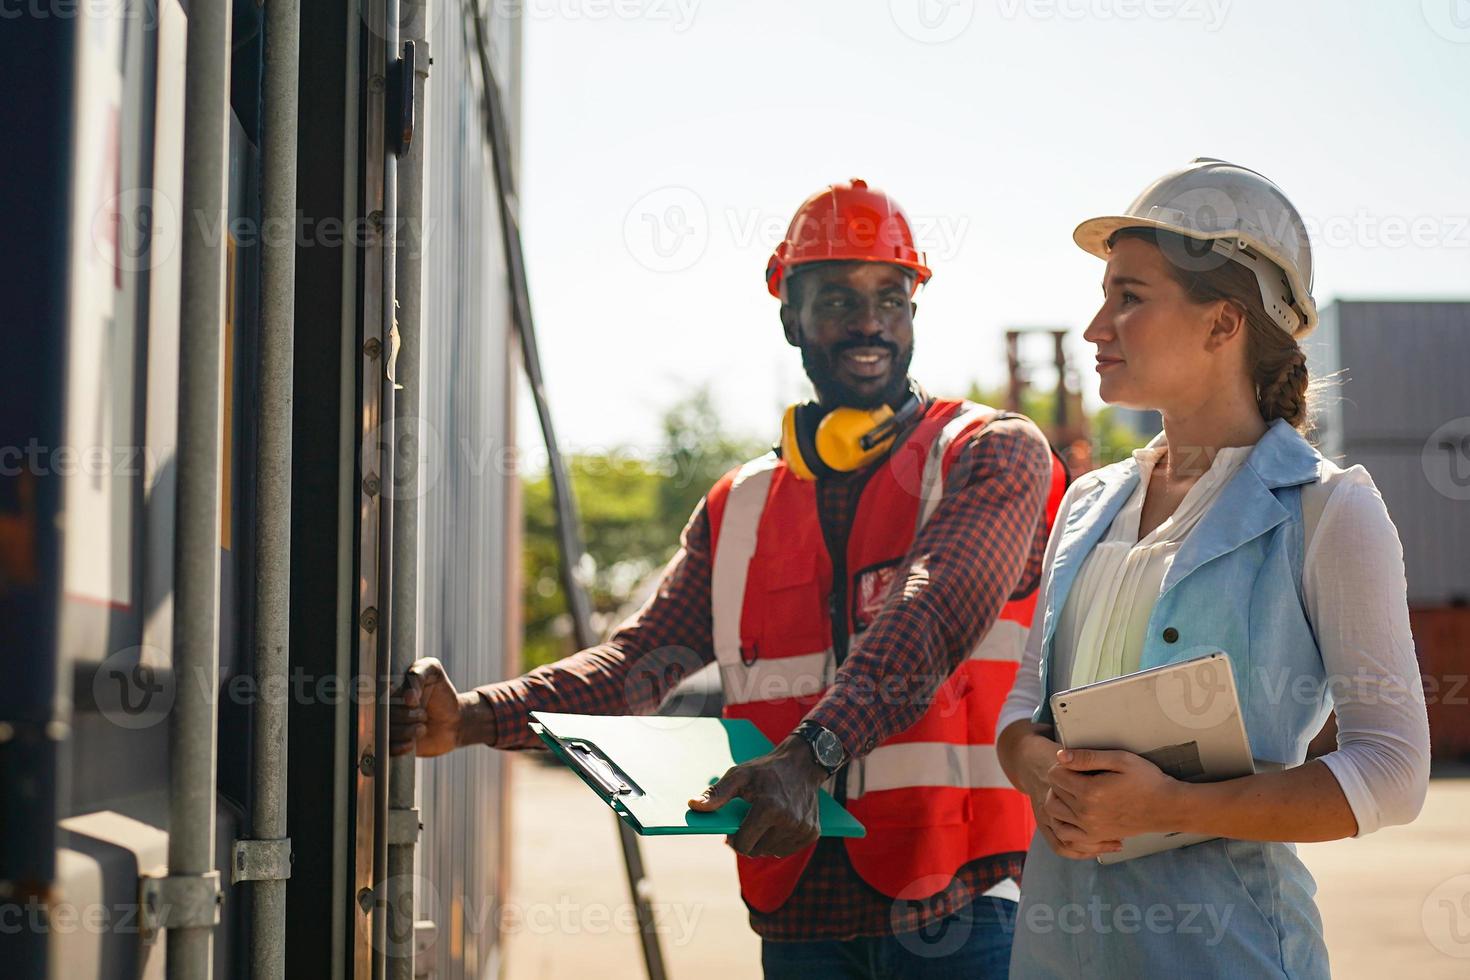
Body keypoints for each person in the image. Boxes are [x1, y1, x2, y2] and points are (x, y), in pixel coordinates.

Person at [391, 178, 1068, 978]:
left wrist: (806, 756)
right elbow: (634, 665)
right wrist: (470, 717)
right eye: (837, 299)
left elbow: (933, 616)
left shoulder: (991, 453)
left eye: (892, 297)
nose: (870, 323)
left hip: (964, 906)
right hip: (798, 908)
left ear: (915, 312)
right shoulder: (742, 506)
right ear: (791, 317)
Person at [995, 158, 1432, 977]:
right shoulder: (1087, 503)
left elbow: (1394, 771)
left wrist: (1172, 807)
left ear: (1224, 323)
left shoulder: (1328, 511)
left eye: (1129, 297)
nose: (1096, 327)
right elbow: (1023, 711)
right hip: (1059, 952)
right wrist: (1051, 775)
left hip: (1228, 954)